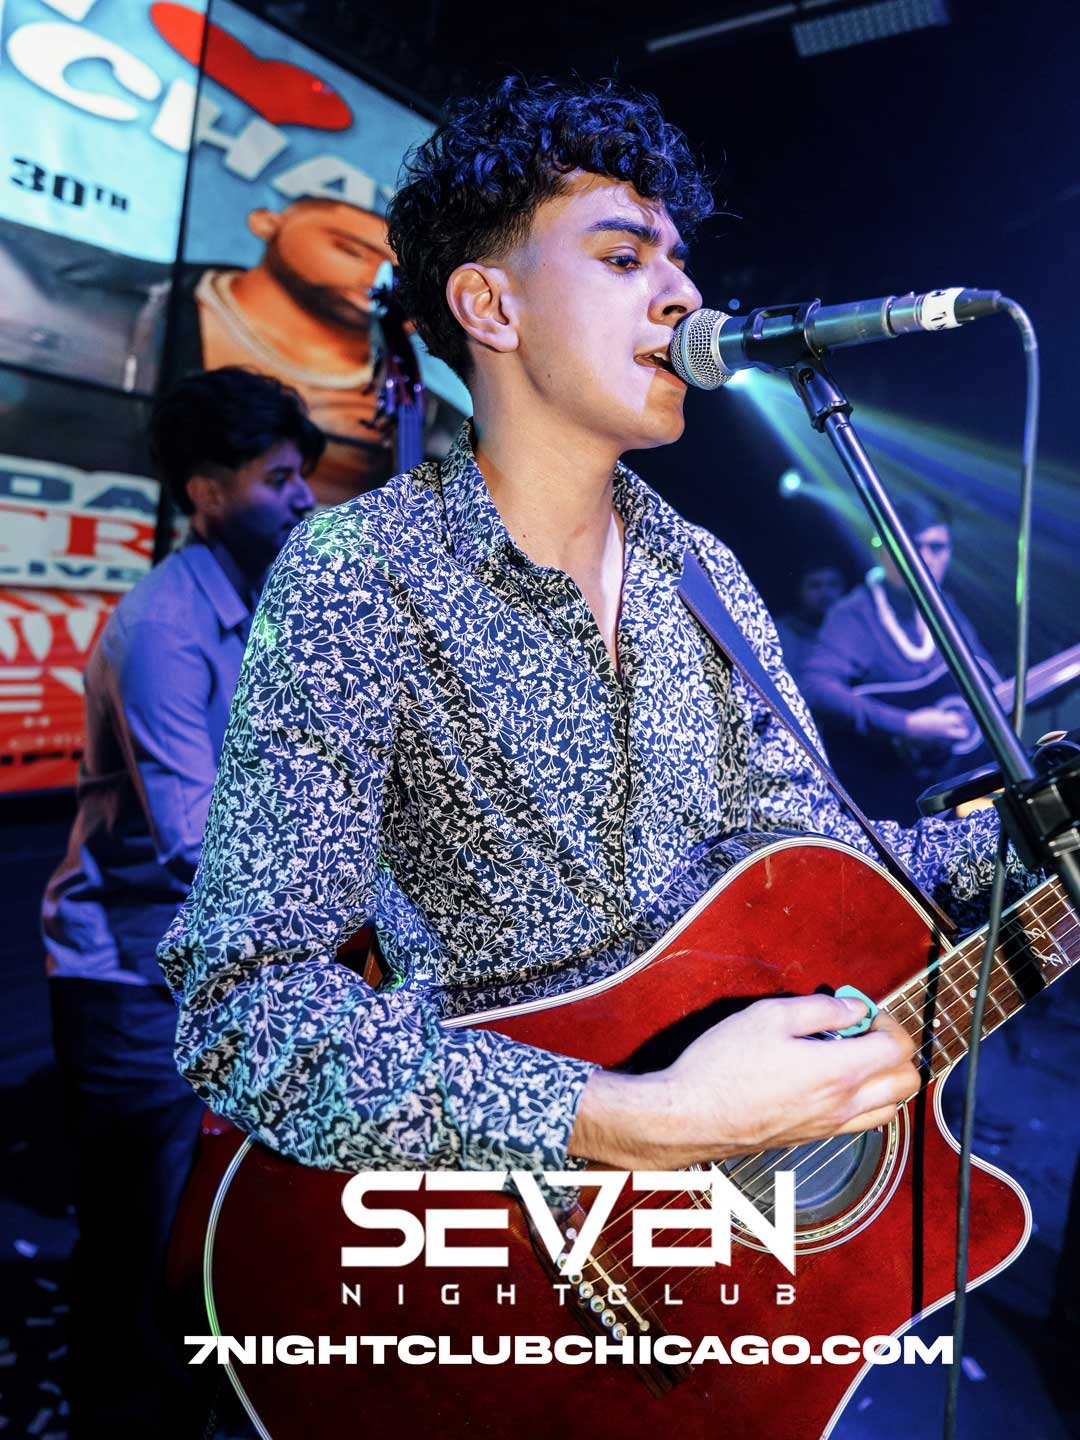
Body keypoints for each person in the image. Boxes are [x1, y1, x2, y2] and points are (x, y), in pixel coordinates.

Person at [159, 78, 1031, 1191]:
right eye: (625, 258)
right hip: (499, 1230)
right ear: (491, 306)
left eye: (680, 264)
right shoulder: (363, 571)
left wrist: (1035, 836)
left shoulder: (705, 575)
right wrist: (641, 1116)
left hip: (715, 1222)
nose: (685, 295)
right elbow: (246, 1008)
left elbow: (825, 860)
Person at [42, 367, 321, 1438]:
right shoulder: (164, 626)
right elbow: (192, 842)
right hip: (129, 979)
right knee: (137, 1244)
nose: (303, 497)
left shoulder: (253, 606)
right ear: (207, 492)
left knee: (203, 1230)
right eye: (278, 478)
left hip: (205, 965)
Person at [173, 196, 467, 504]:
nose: (374, 277)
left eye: (397, 274)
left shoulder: (440, 425)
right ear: (266, 223)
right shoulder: (145, 305)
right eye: (352, 251)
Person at [801, 494, 1000, 821]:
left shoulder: (946, 608)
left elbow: (989, 684)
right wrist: (905, 725)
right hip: (883, 795)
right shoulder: (856, 613)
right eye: (914, 546)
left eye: (938, 547)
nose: (927, 558)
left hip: (947, 792)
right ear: (884, 551)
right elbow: (816, 688)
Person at [773, 559, 847, 683]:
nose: (825, 593)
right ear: (799, 591)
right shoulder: (778, 633)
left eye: (832, 585)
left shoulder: (852, 631)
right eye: (815, 586)